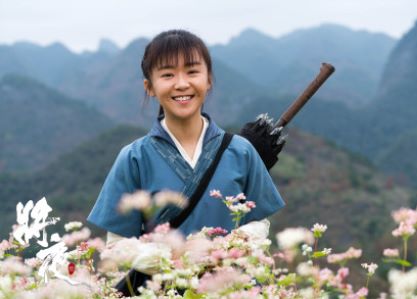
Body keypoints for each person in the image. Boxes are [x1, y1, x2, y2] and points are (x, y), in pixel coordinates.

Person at [87, 29, 285, 243]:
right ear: (150, 87)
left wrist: (230, 247)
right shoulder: (135, 158)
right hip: (162, 276)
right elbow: (118, 243)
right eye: (167, 75)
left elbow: (259, 222)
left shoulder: (242, 151)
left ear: (208, 80)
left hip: (231, 275)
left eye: (192, 72)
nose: (181, 83)